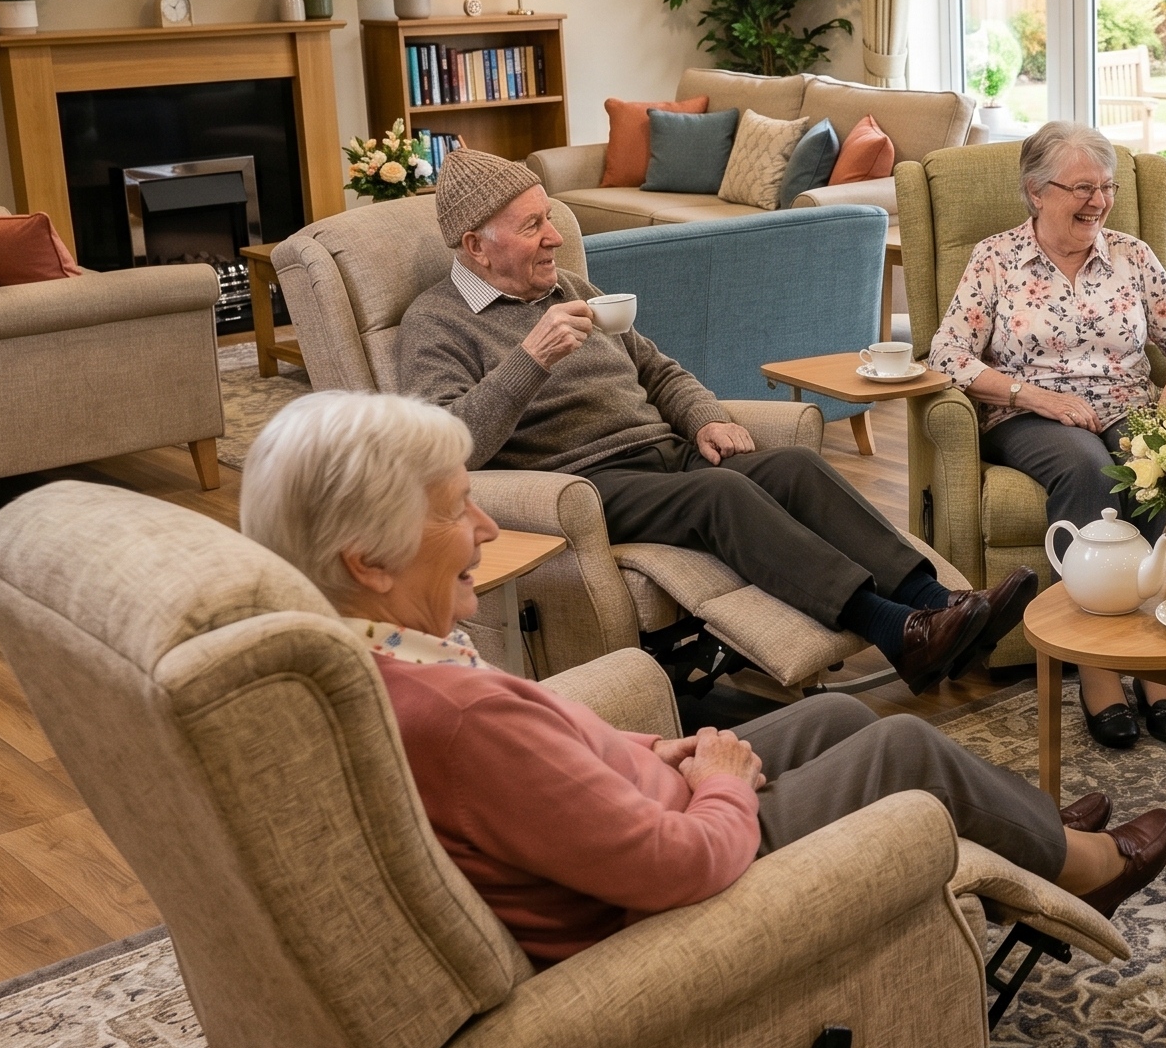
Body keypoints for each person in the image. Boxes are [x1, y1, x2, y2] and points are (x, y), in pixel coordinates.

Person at [238, 389, 1166, 964]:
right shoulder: (450, 716)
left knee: (835, 727)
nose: (487, 531)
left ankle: (1030, 828)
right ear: (367, 559)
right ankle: (1086, 872)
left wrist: (659, 747)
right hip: (676, 889)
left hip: (642, 803)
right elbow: (666, 868)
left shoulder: (383, 656)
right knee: (897, 745)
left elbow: (548, 761)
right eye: (459, 511)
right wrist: (720, 787)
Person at [396, 149, 1035, 695]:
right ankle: (897, 631)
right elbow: (446, 450)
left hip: (663, 453)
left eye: (549, 220)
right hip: (581, 484)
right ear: (477, 246)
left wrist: (703, 417)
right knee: (722, 493)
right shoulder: (437, 322)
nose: (556, 238)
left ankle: (940, 605)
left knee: (796, 467)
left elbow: (660, 370)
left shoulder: (572, 290)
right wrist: (528, 360)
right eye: (533, 225)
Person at [926, 122, 1166, 750]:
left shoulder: (1132, 256)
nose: (1100, 201)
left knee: (1163, 469)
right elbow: (946, 354)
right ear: (1037, 192)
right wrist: (1037, 396)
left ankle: (1151, 658)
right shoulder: (996, 259)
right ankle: (1095, 666)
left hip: (1127, 404)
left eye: (1108, 187)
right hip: (1029, 414)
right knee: (1090, 470)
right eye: (1084, 188)